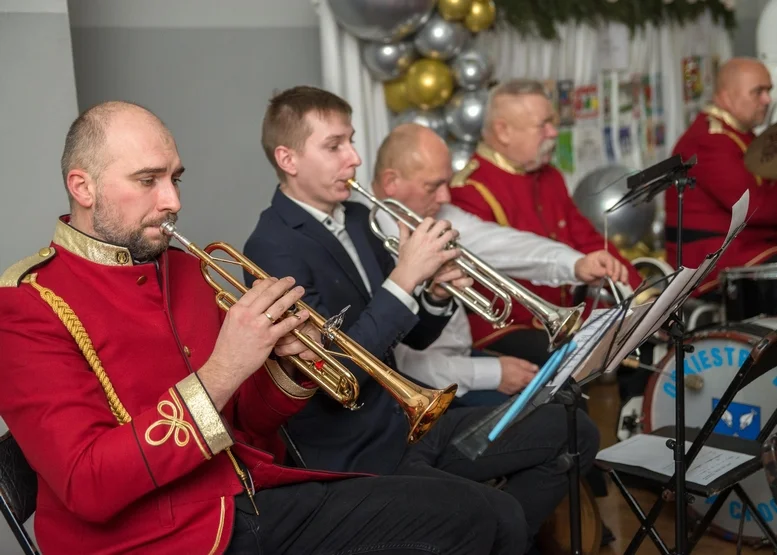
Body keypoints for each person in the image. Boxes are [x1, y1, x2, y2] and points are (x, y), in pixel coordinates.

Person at [0, 101, 526, 555]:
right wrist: (227, 365)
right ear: (82, 187)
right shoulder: (29, 305)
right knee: (476, 519)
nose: (173, 201)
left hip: (250, 496)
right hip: (161, 540)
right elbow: (86, 485)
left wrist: (287, 366)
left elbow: (249, 423)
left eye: (174, 178)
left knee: (499, 515)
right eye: (147, 181)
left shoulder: (187, 268)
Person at [243, 85, 600, 554]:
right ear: (288, 159)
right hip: (357, 453)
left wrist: (432, 294)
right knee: (502, 517)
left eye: (351, 141)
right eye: (334, 146)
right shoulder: (271, 246)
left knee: (573, 430)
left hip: (408, 421)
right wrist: (405, 278)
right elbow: (338, 371)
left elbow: (408, 334)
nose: (353, 158)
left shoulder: (355, 218)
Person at [372, 122, 630, 406]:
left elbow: (505, 244)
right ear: (390, 183)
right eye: (433, 186)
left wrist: (576, 264)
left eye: (447, 182)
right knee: (552, 411)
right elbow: (403, 360)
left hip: (461, 358)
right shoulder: (370, 239)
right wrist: (492, 372)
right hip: (428, 384)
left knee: (565, 389)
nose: (446, 196)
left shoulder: (432, 212)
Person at [449, 78, 644, 361]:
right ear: (503, 131)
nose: (554, 132)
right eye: (543, 125)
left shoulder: (549, 175)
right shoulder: (471, 189)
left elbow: (587, 239)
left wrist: (638, 294)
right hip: (510, 327)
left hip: (568, 313)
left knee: (641, 343)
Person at [668, 57, 777, 299]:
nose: (767, 100)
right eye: (758, 92)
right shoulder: (709, 140)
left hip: (747, 247)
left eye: (768, 90)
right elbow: (753, 207)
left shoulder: (736, 133)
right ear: (727, 95)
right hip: (712, 261)